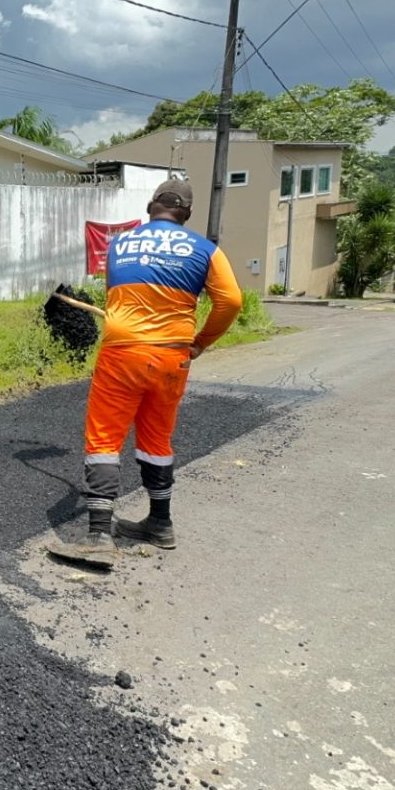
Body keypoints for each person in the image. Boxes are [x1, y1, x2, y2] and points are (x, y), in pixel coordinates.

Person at [71, 178, 242, 553]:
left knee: (104, 439)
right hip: (171, 357)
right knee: (157, 439)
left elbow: (120, 296)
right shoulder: (206, 249)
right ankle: (160, 524)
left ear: (151, 207)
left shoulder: (120, 243)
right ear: (187, 214)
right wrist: (200, 342)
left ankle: (100, 533)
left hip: (122, 353)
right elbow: (230, 301)